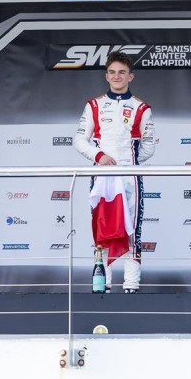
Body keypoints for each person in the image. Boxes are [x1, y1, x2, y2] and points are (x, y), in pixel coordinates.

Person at [73, 51, 156, 292]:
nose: (117, 76)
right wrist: (99, 156)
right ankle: (102, 285)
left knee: (133, 230)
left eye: (122, 72)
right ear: (106, 76)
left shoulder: (142, 108)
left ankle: (131, 285)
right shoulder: (94, 105)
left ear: (131, 76)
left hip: (130, 177)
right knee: (103, 230)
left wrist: (129, 162)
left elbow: (148, 146)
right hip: (102, 178)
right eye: (112, 72)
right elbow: (79, 140)